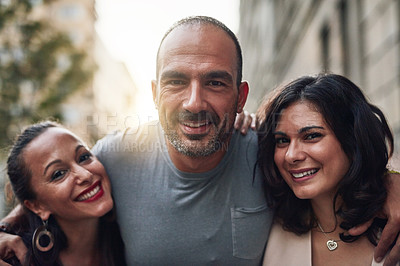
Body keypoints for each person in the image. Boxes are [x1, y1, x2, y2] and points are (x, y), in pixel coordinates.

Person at [1, 16, 400, 265]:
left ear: (240, 97)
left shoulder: (270, 152)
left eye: (215, 82)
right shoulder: (112, 159)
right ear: (155, 93)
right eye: (176, 82)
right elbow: (52, 194)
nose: (195, 102)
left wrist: (390, 181)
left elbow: (336, 168)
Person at [257, 73, 397, 265]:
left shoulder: (394, 221)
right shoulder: (266, 230)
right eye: (282, 140)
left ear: (353, 140)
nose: (291, 155)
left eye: (311, 136)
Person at [3, 121, 126, 265]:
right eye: (59, 174)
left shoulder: (127, 236)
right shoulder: (17, 259)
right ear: (37, 206)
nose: (86, 175)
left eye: (83, 157)